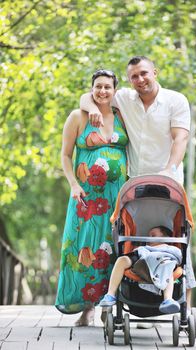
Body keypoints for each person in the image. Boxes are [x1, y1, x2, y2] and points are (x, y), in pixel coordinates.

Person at [80, 55, 196, 326]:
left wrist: (170, 167)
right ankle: (139, 302)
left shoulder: (175, 100)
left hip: (169, 181)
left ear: (155, 72)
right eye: (134, 76)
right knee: (137, 241)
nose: (140, 80)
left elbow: (181, 136)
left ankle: (185, 311)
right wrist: (92, 108)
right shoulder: (124, 98)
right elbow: (90, 96)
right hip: (136, 182)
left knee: (178, 240)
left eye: (144, 73)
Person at [55, 69, 128, 326]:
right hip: (86, 197)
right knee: (84, 247)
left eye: (108, 87)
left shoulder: (122, 115)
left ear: (114, 90)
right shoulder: (78, 116)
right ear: (91, 88)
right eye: (98, 86)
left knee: (114, 247)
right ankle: (87, 308)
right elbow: (65, 155)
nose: (103, 91)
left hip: (117, 196)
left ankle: (112, 303)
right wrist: (74, 184)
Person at [99, 226, 181, 314]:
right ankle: (110, 294)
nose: (149, 238)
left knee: (168, 266)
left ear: (167, 238)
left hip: (162, 265)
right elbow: (134, 257)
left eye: (153, 236)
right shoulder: (143, 249)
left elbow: (177, 258)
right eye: (148, 236)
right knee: (121, 260)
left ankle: (168, 299)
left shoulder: (170, 249)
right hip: (142, 264)